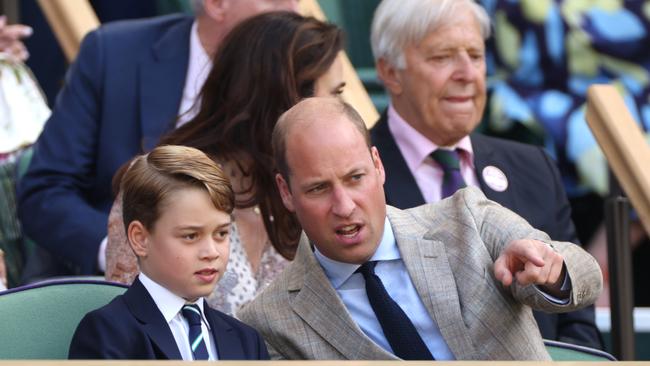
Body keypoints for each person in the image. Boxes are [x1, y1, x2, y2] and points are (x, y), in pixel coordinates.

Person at [237, 97, 602, 360]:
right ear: (286, 192)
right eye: (318, 188)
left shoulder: (467, 219)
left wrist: (550, 269)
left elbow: (585, 275)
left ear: (377, 166)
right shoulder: (271, 321)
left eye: (355, 178)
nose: (344, 206)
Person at [368, 0, 601, 348]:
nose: (466, 74)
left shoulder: (533, 167)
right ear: (389, 73)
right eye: (442, 57)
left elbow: (578, 327)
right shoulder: (353, 180)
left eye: (475, 56)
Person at [17, 0, 299, 279]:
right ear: (216, 4)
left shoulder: (295, 71)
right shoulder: (113, 54)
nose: (294, 10)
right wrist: (123, 251)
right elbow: (45, 190)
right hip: (105, 293)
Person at [105, 11, 345, 315]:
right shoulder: (162, 184)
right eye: (334, 95)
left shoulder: (312, 189)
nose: (343, 111)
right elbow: (132, 329)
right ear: (282, 98)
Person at [68, 145, 269, 360]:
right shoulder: (108, 333)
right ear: (140, 239)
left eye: (221, 233)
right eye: (191, 236)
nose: (211, 252)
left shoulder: (247, 340)